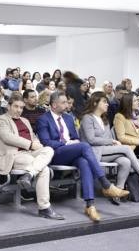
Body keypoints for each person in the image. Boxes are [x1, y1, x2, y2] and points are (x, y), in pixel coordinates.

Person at [36, 92, 129, 222]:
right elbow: (46, 142)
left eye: (67, 102)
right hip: (55, 154)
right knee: (85, 146)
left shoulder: (68, 118)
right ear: (54, 105)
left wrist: (74, 142)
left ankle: (90, 205)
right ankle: (106, 184)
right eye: (63, 102)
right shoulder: (43, 119)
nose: (67, 105)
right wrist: (67, 143)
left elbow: (75, 137)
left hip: (71, 152)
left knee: (84, 162)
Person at [79, 92, 139, 203]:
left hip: (106, 150)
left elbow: (108, 138)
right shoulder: (87, 118)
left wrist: (112, 143)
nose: (107, 104)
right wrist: (112, 141)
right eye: (104, 102)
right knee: (126, 148)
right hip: (93, 151)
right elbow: (91, 140)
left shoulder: (104, 120)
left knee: (125, 162)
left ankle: (118, 192)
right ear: (95, 103)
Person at [0, 92, 62, 219]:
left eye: (21, 107)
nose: (19, 110)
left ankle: (29, 174)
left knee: (49, 150)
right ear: (8, 106)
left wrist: (37, 145)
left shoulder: (25, 120)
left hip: (29, 152)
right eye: (16, 106)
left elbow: (33, 137)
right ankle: (44, 208)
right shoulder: (1, 120)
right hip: (14, 155)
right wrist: (30, 144)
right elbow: (8, 137)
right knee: (44, 169)